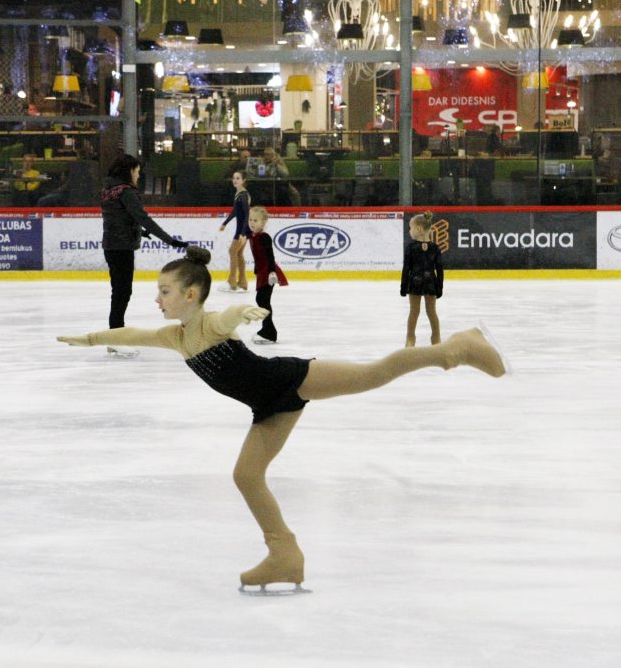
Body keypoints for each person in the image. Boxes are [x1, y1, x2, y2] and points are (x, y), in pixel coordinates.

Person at [57, 246, 508, 593]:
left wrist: (244, 311)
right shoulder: (175, 338)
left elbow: (228, 317)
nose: (157, 298)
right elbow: (131, 332)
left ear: (190, 294)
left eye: (164, 291)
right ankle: (284, 555)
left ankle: (458, 349)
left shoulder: (209, 325)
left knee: (374, 373)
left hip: (292, 378)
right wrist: (92, 337)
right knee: (246, 476)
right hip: (269, 407)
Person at [100, 153, 188, 358]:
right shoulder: (126, 192)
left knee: (119, 292)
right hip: (121, 247)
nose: (138, 175)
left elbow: (119, 218)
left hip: (112, 246)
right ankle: (115, 338)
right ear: (128, 171)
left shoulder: (108, 190)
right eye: (137, 171)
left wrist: (140, 232)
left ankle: (115, 336)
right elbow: (142, 217)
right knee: (122, 293)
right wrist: (171, 241)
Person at [400, 211, 444, 347]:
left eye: (411, 228)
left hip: (415, 281)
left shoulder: (411, 248)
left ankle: (410, 338)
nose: (410, 231)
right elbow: (440, 269)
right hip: (431, 281)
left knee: (414, 311)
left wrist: (403, 286)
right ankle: (436, 338)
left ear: (419, 229)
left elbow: (406, 268)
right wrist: (440, 286)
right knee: (432, 312)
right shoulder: (435, 248)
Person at [247, 206, 287, 344]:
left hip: (268, 272)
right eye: (250, 220)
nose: (252, 223)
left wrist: (271, 272)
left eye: (256, 220)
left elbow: (270, 256)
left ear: (263, 223)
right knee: (262, 301)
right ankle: (267, 330)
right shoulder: (254, 235)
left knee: (262, 301)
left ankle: (269, 332)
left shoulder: (264, 237)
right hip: (262, 272)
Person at [218, 170, 251, 293]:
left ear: (244, 180)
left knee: (232, 251)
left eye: (238, 178)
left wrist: (243, 233)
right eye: (234, 178)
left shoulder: (243, 195)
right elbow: (235, 211)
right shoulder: (239, 194)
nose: (235, 180)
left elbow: (247, 214)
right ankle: (242, 282)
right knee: (238, 254)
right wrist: (225, 223)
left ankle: (232, 282)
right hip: (243, 228)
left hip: (243, 229)